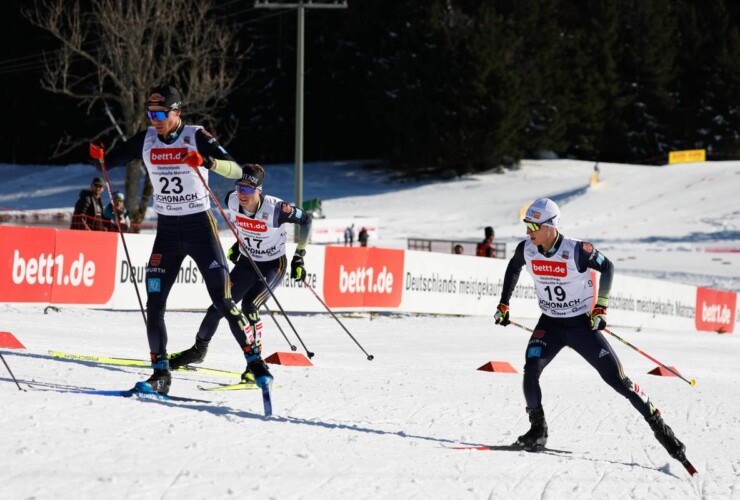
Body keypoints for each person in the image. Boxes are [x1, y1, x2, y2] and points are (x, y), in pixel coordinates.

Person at [88, 84, 259, 395]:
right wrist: (100, 156)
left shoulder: (197, 135)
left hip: (199, 228)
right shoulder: (147, 139)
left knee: (223, 299)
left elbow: (235, 169)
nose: (154, 119)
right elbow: (110, 160)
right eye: (150, 113)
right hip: (167, 232)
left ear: (176, 112)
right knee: (154, 304)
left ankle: (255, 362)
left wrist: (206, 162)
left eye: (160, 113)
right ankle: (160, 373)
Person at [493, 198, 688, 465]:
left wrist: (601, 307)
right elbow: (513, 268)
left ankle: (662, 430)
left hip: (581, 325)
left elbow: (607, 267)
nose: (528, 232)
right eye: (527, 226)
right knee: (531, 368)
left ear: (550, 226)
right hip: (549, 324)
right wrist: (504, 303)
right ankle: (538, 430)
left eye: (533, 226)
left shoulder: (577, 250)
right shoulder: (526, 249)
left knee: (618, 380)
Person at [168, 164, 312, 385]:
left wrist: (299, 255)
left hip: (273, 264)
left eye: (247, 189)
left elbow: (307, 219)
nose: (241, 194)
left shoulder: (277, 209)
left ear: (259, 190)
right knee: (219, 305)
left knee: (249, 306)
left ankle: (254, 365)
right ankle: (198, 351)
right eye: (239, 188)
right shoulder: (231, 200)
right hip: (247, 262)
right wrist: (238, 244)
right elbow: (244, 225)